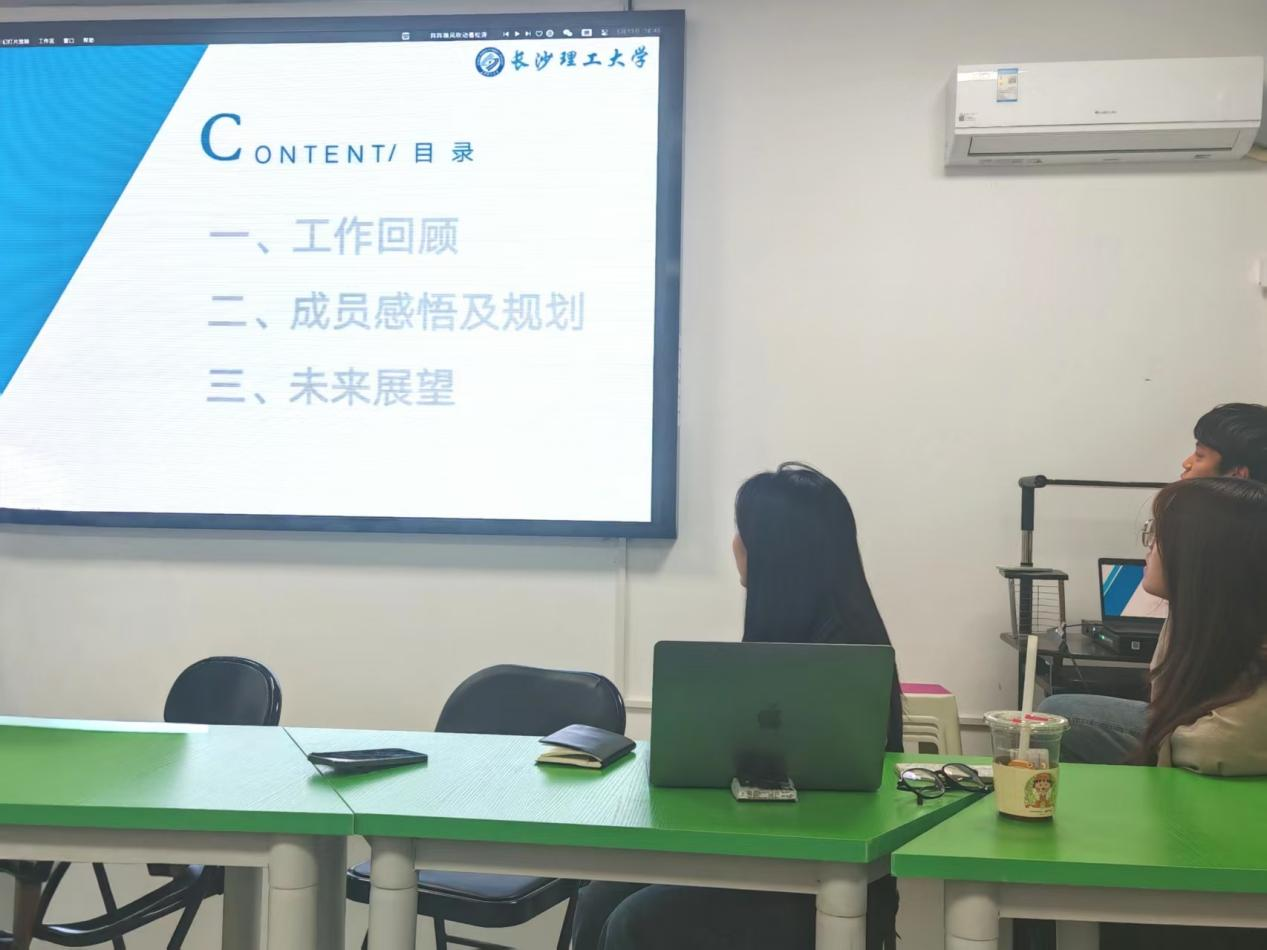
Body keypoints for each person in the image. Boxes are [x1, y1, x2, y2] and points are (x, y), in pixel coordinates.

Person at [572, 463, 904, 950]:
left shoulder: (845, 656)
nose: (734, 545)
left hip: (821, 878)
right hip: (764, 859)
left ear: (774, 552)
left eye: (741, 532)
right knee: (599, 898)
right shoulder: (793, 637)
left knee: (634, 923)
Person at [1039, 402, 1267, 764]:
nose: (1186, 465)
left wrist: (1168, 749)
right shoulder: (1218, 581)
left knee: (1056, 717)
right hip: (1198, 725)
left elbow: (1230, 742)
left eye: (1200, 455)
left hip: (1213, 738)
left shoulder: (1239, 592)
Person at [1135, 477, 1267, 773]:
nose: (1150, 545)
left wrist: (1164, 742)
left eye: (1160, 534)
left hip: (1205, 742)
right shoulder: (1198, 611)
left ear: (1203, 554)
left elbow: (1217, 746)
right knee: (1061, 712)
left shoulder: (1224, 738)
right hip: (1187, 727)